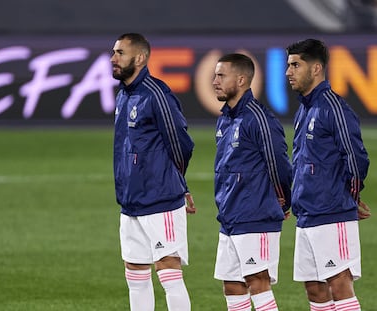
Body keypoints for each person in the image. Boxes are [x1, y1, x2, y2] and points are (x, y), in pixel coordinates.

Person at [110, 33, 196, 311]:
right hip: (131, 200)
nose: (113, 58)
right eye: (113, 52)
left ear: (140, 58)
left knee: (168, 271)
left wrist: (176, 182)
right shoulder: (124, 94)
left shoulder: (156, 94)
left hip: (160, 198)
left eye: (120, 53)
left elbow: (181, 143)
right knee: (134, 272)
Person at [286, 38, 371, 311]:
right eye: (288, 65)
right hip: (307, 213)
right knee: (314, 288)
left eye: (296, 65)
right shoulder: (304, 109)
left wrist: (350, 196)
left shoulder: (333, 107)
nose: (288, 72)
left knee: (338, 284)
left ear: (316, 69)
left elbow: (356, 157)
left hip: (332, 212)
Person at [212, 53, 292, 311]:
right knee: (232, 285)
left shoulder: (258, 118)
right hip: (230, 216)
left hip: (256, 212)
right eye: (215, 75)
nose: (214, 81)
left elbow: (279, 163)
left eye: (221, 75)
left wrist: (284, 200)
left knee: (258, 281)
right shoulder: (225, 118)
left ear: (242, 79)